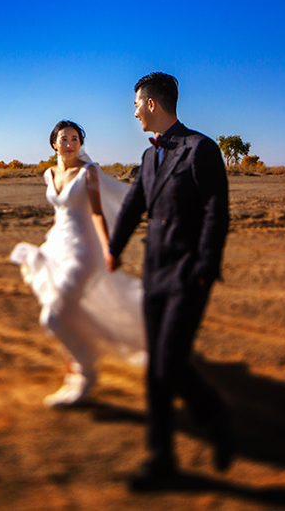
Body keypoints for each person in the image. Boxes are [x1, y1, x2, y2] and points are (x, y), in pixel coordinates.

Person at [106, 73, 235, 490]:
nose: (134, 113)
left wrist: (205, 268)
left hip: (187, 274)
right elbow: (133, 205)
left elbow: (216, 212)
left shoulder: (201, 149)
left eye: (136, 104)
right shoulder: (149, 157)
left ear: (152, 104)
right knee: (155, 372)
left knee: (169, 363)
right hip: (155, 272)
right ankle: (161, 457)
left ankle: (214, 415)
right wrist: (114, 248)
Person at [10, 120, 145, 408]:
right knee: (66, 312)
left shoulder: (88, 172)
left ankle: (85, 376)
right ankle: (78, 363)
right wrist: (47, 245)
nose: (70, 143)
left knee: (52, 318)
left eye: (75, 139)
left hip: (83, 251)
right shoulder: (49, 174)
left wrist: (110, 248)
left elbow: (97, 213)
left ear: (80, 144)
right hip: (56, 247)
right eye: (64, 138)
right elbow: (59, 214)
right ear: (54, 143)